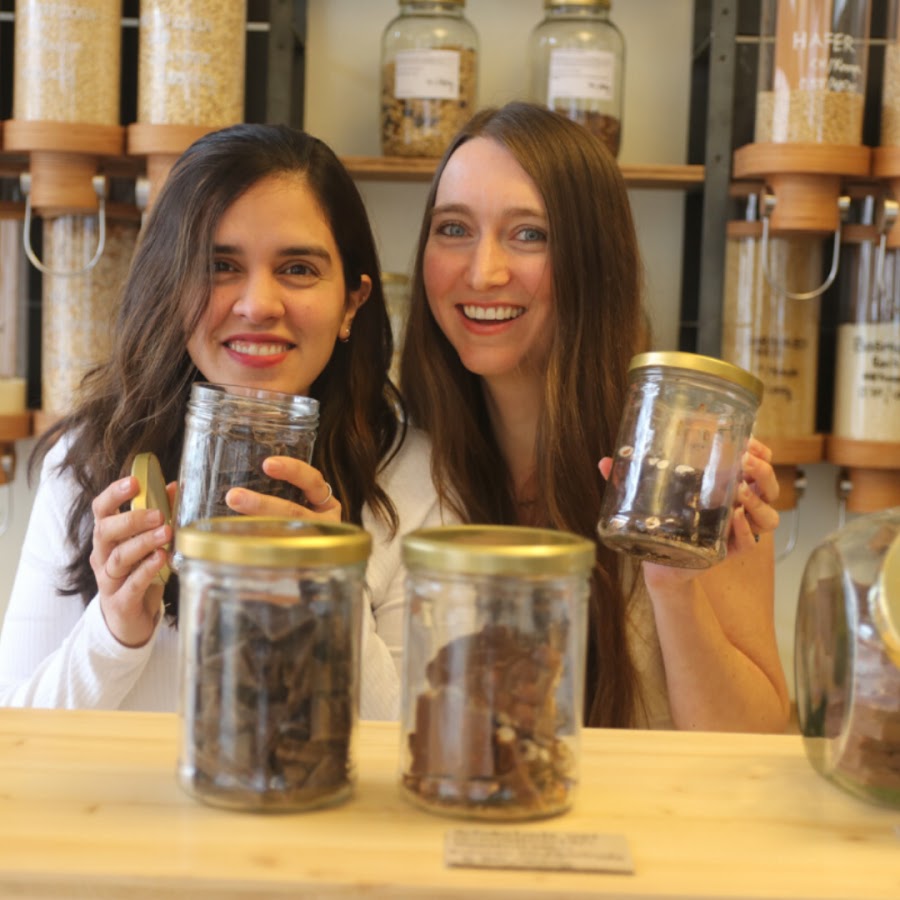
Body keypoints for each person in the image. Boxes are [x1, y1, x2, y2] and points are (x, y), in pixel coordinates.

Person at [0, 123, 444, 719]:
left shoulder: (415, 482)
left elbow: (422, 744)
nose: (258, 305)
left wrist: (330, 598)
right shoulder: (87, 463)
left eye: (298, 269)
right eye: (220, 265)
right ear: (172, 288)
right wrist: (113, 632)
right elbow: (13, 741)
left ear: (352, 303)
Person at [399, 101, 791, 733]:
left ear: (594, 259)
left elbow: (753, 744)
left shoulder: (689, 461)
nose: (482, 271)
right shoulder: (399, 466)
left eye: (530, 234)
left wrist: (672, 579)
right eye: (453, 228)